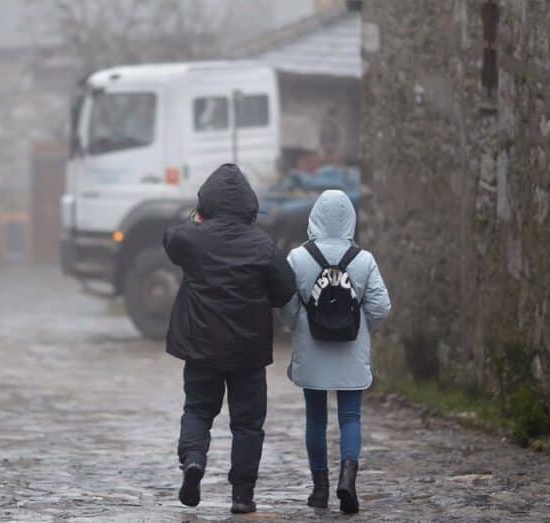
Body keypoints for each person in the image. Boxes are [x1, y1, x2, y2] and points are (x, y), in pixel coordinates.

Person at [163, 163, 296, 515]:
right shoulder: (263, 245)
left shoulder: (191, 238)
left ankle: (194, 461)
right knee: (248, 423)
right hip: (248, 352)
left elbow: (171, 238)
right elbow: (285, 291)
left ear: (206, 202)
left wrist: (196, 219)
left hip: (201, 346)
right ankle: (242, 495)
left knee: (197, 409)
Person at [280, 190, 391, 515]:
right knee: (350, 416)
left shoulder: (297, 258)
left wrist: (298, 326)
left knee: (315, 419)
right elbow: (381, 306)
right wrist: (362, 331)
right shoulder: (364, 260)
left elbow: (285, 304)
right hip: (350, 350)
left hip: (311, 351)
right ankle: (348, 479)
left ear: (315, 216)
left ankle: (319, 488)